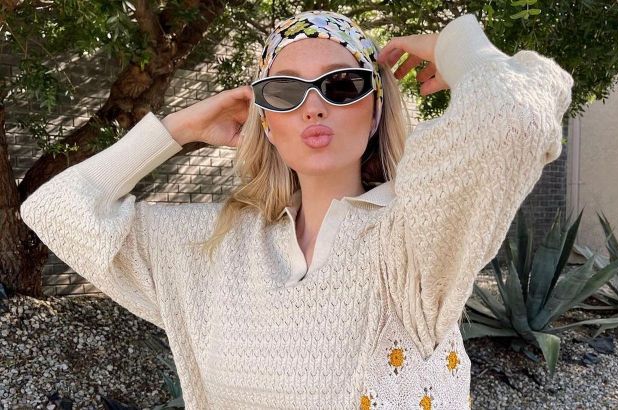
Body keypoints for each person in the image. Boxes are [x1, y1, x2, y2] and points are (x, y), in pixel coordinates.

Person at [20, 9, 574, 410]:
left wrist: (460, 42)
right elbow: (54, 209)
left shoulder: (412, 240)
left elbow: (515, 118)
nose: (313, 107)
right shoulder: (213, 245)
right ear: (265, 121)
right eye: (284, 92)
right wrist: (177, 129)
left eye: (343, 85)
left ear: (375, 111)